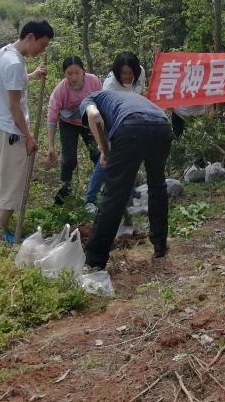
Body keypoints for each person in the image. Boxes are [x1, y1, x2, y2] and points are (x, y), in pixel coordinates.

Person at [80, 89, 173, 269]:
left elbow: (95, 116)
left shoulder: (89, 98)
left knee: (114, 195)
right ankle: (160, 245)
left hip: (132, 126)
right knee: (157, 185)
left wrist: (102, 147)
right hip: (162, 125)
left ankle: (94, 260)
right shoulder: (119, 98)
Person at [0, 20, 53, 242]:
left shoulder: (6, 52)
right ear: (30, 37)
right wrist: (29, 136)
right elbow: (14, 107)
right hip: (11, 133)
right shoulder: (15, 64)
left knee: (0, 181)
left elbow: (12, 83)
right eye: (42, 45)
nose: (41, 50)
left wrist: (32, 76)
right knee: (13, 186)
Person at [86, 51, 147, 207]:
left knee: (132, 156)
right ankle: (91, 199)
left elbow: (141, 95)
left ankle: (130, 191)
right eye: (123, 73)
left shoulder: (140, 73)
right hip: (111, 119)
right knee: (107, 157)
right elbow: (104, 113)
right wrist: (106, 140)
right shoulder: (110, 86)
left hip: (133, 118)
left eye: (130, 73)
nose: (127, 76)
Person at [46, 56, 102, 204]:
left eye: (77, 72)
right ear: (64, 74)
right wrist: (51, 145)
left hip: (88, 120)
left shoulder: (93, 81)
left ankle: (98, 188)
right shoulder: (60, 91)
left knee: (98, 154)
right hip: (68, 123)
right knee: (69, 158)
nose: (73, 77)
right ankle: (65, 187)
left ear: (83, 71)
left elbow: (102, 102)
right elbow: (52, 118)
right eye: (69, 73)